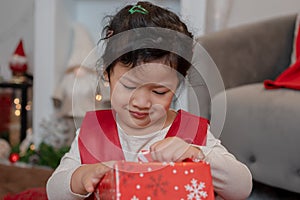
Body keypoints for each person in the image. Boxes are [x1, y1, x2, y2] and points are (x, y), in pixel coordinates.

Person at [46, 1, 252, 199]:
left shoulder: (192, 133)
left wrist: (197, 154)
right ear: (107, 74)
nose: (141, 102)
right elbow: (54, 191)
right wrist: (80, 178)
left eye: (159, 92)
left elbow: (242, 188)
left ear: (177, 85)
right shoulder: (93, 132)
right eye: (128, 86)